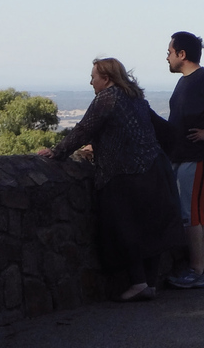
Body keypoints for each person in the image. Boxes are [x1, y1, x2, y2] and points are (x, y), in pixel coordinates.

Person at [39, 58, 183, 302]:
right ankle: (150, 283)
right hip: (155, 167)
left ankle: (139, 282)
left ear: (105, 78)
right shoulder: (135, 98)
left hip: (125, 174)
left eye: (94, 76)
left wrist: (57, 152)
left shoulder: (107, 98)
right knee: (152, 227)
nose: (91, 81)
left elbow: (84, 129)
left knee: (127, 226)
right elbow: (163, 130)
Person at [152, 31, 204, 289]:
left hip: (198, 157)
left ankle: (199, 270)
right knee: (192, 214)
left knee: (194, 215)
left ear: (182, 54)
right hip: (183, 156)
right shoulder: (186, 82)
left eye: (169, 52)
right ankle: (197, 268)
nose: (166, 57)